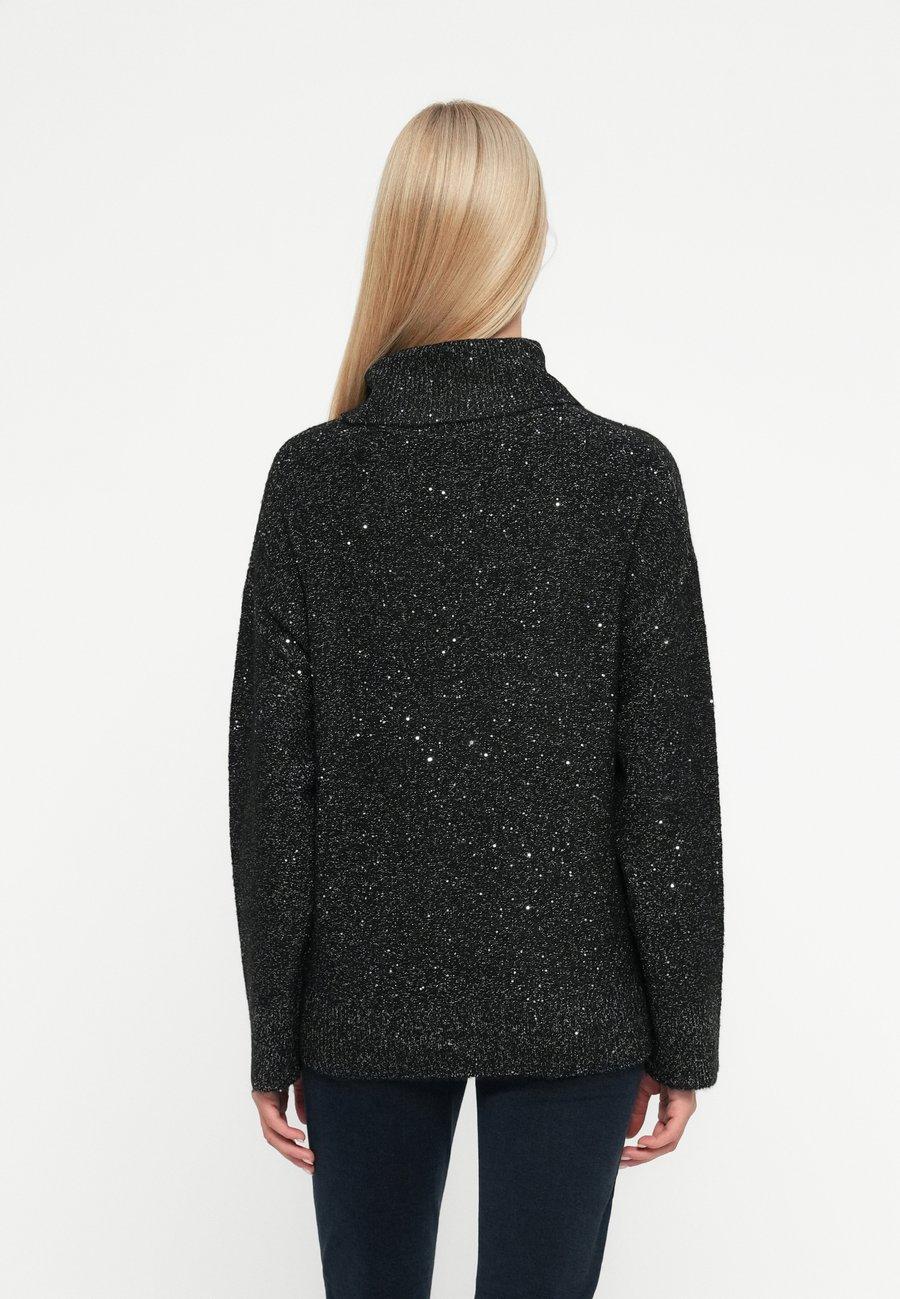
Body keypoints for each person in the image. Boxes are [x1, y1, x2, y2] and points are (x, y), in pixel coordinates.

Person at [229, 99, 723, 1298]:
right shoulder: (624, 477)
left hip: (360, 1002)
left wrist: (276, 1029)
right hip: (576, 998)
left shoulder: (315, 480)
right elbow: (664, 784)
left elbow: (272, 788)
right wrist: (683, 1033)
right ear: (530, 242)